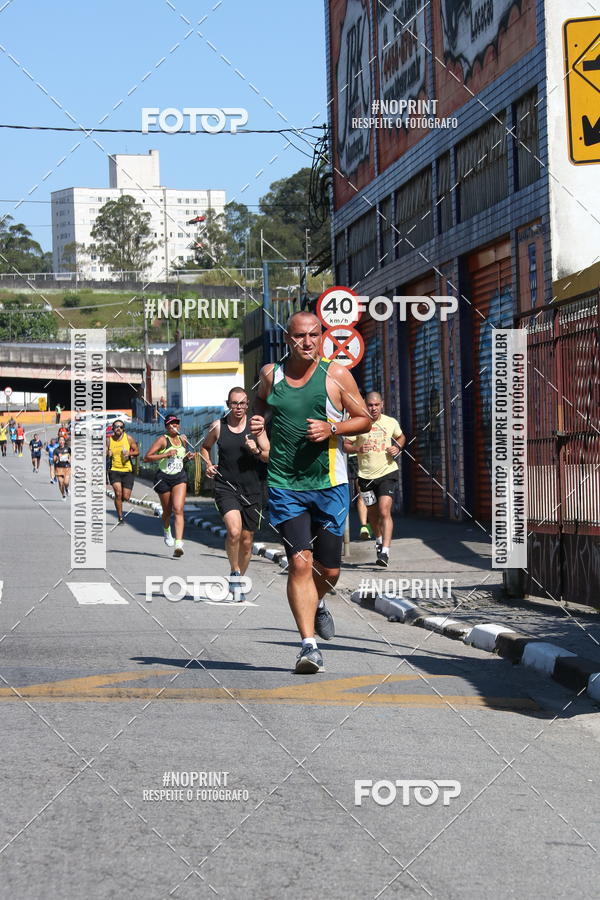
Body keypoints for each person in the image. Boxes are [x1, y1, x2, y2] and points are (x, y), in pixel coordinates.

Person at [251, 311, 371, 674]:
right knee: (300, 563)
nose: (307, 342)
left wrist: (333, 427)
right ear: (288, 339)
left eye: (314, 335)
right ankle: (308, 646)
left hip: (330, 484)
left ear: (322, 336)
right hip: (285, 484)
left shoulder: (335, 374)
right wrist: (260, 430)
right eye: (300, 336)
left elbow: (364, 416)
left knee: (330, 570)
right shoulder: (271, 375)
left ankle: (317, 603)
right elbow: (260, 404)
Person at [201, 387, 269, 600]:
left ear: (247, 404)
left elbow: (268, 455)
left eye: (242, 403)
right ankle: (234, 571)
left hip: (252, 490)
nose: (238, 407)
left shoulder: (256, 426)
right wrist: (209, 465)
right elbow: (204, 448)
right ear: (228, 404)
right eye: (234, 403)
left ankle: (238, 581)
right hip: (225, 487)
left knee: (247, 540)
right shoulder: (218, 426)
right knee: (234, 532)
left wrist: (255, 450)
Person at [343, 391, 406, 568]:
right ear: (365, 405)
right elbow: (346, 445)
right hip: (365, 476)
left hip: (387, 473)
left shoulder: (390, 422)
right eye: (370, 405)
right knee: (372, 513)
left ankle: (385, 551)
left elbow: (401, 436)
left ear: (382, 405)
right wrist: (358, 448)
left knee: (384, 511)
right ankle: (378, 539)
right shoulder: (358, 423)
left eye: (376, 405)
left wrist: (398, 447)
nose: (374, 408)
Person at [144, 413, 195, 558]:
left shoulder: (182, 440)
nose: (175, 426)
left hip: (179, 477)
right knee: (167, 511)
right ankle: (167, 531)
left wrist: (187, 458)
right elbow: (147, 457)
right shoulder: (162, 440)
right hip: (163, 478)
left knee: (178, 509)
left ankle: (179, 544)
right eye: (172, 424)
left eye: (177, 423)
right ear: (166, 426)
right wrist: (165, 455)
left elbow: (180, 459)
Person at [106, 419, 139, 525]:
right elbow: (105, 451)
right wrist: (108, 453)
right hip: (114, 470)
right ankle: (120, 517)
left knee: (126, 497)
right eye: (116, 427)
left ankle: (119, 501)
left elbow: (137, 451)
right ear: (113, 429)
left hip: (127, 470)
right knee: (118, 493)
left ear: (123, 428)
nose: (118, 428)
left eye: (120, 427)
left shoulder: (128, 438)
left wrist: (129, 454)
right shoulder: (109, 440)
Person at [53, 435, 71, 500]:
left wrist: (70, 460)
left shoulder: (68, 449)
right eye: (60, 440)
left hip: (67, 468)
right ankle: (63, 495)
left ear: (64, 441)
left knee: (66, 482)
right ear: (58, 441)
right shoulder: (56, 450)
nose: (61, 441)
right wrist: (57, 458)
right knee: (61, 482)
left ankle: (66, 489)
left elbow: (70, 457)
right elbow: (54, 459)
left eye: (62, 440)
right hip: (59, 468)